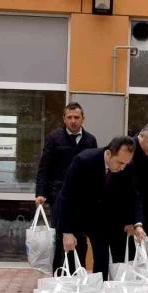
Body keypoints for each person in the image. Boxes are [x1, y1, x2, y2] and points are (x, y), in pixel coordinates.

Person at [55, 136, 136, 280]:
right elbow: (66, 196)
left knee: (102, 257)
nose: (122, 167)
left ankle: (100, 291)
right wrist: (67, 231)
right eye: (120, 162)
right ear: (109, 153)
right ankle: (73, 292)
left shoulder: (126, 166)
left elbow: (129, 194)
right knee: (73, 256)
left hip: (101, 218)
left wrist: (130, 221)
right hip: (76, 213)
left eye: (126, 163)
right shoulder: (84, 160)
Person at [35, 102, 97, 274]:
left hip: (82, 198)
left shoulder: (90, 140)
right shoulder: (54, 138)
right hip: (59, 196)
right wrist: (40, 193)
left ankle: (79, 273)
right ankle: (60, 275)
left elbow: (94, 169)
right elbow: (44, 167)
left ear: (83, 119)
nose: (73, 121)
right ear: (64, 118)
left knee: (80, 237)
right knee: (61, 235)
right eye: (69, 117)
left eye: (76, 117)